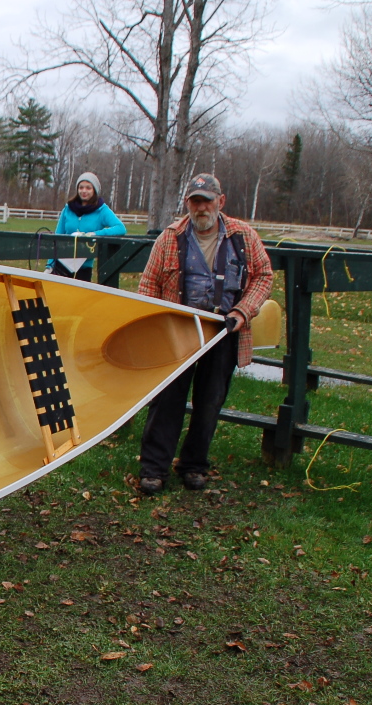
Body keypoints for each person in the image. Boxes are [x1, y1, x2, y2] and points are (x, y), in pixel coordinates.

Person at [136, 173, 274, 495]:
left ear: (220, 202)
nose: (200, 208)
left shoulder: (243, 236)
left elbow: (264, 276)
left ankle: (194, 465)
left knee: (209, 401)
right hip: (178, 330)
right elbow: (148, 285)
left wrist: (242, 311)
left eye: (206, 202)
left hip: (224, 329)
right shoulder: (170, 238)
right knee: (166, 399)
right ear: (188, 204)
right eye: (195, 202)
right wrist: (153, 327)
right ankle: (153, 469)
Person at [48, 172, 126, 281]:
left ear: (94, 190)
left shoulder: (102, 210)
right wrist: (50, 265)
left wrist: (95, 234)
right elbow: (57, 237)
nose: (84, 191)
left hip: (84, 267)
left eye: (88, 188)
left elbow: (120, 228)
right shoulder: (68, 208)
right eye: (81, 187)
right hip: (61, 264)